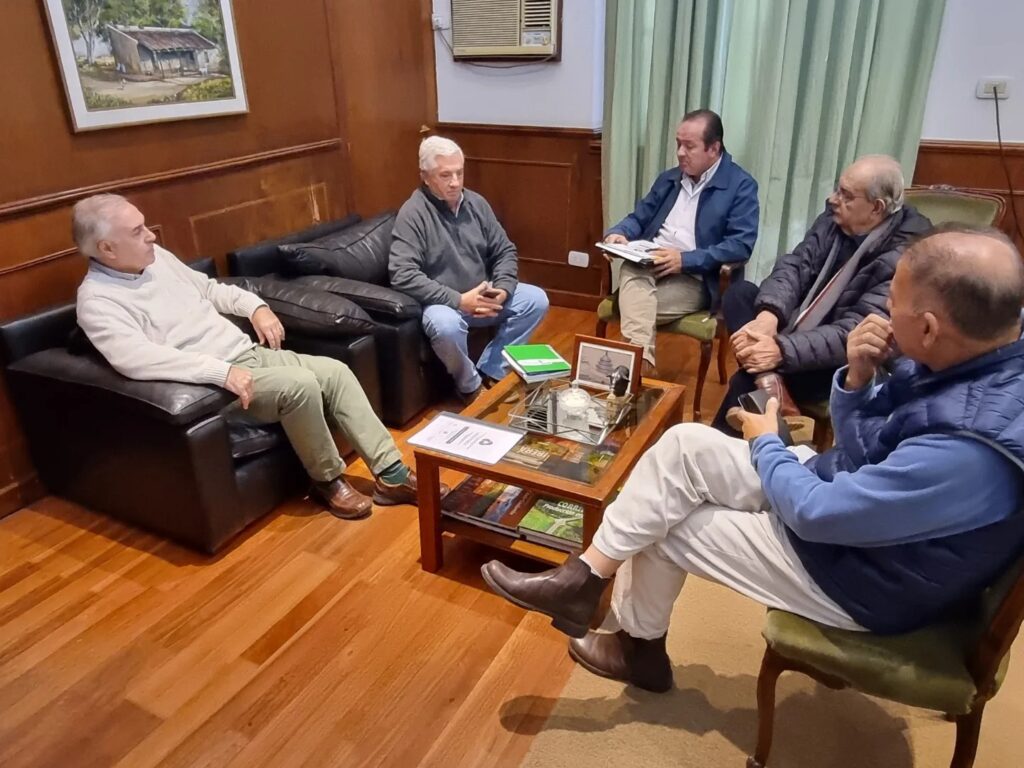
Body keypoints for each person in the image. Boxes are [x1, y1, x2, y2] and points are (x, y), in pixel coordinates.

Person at [481, 227, 1024, 694]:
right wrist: (858, 381)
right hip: (857, 520)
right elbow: (870, 453)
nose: (880, 313)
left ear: (928, 328)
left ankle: (637, 652)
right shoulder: (975, 359)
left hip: (866, 579)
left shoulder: (966, 453)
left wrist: (767, 444)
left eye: (891, 304)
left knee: (664, 525)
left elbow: (817, 515)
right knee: (683, 445)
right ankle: (583, 579)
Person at [73, 193, 444, 521]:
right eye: (137, 231)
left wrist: (256, 307)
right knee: (299, 385)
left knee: (336, 372)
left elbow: (210, 289)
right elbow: (137, 360)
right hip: (216, 387)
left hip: (247, 353)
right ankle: (327, 481)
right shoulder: (98, 301)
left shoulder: (158, 261)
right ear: (107, 248)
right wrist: (220, 372)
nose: (151, 235)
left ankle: (392, 476)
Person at [713, 154, 931, 433]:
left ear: (876, 208)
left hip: (842, 359)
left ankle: (737, 441)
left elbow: (854, 332)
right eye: (838, 189)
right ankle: (772, 386)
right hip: (800, 327)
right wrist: (769, 317)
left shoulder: (907, 253)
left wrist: (781, 351)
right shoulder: (833, 220)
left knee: (745, 381)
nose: (832, 199)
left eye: (846, 195)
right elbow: (795, 266)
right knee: (739, 293)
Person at [389, 136, 550, 404]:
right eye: (445, 175)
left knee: (536, 300)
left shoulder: (476, 203)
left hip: (484, 294)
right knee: (445, 326)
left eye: (459, 173)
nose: (455, 182)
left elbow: (505, 250)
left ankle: (493, 372)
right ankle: (469, 386)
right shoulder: (413, 213)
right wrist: (459, 300)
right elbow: (402, 274)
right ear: (425, 177)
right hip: (445, 304)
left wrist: (502, 289)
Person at [603, 109, 759, 375]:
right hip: (649, 264)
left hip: (696, 278)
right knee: (631, 270)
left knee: (629, 306)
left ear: (714, 148)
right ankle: (641, 368)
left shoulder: (740, 186)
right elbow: (639, 218)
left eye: (689, 146)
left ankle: (636, 368)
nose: (680, 153)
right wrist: (618, 233)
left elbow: (740, 245)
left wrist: (685, 260)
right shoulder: (670, 179)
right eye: (678, 144)